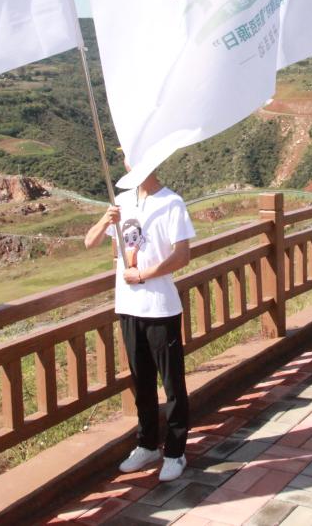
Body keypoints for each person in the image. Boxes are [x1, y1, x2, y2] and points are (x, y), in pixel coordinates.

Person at [84, 164, 196, 482]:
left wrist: (143, 274)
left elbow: (183, 255)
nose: (129, 163)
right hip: (129, 307)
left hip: (160, 307)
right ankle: (147, 444)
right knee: (141, 382)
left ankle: (175, 452)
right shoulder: (121, 201)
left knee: (172, 384)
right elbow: (90, 242)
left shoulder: (172, 202)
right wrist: (106, 220)